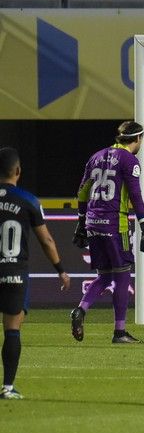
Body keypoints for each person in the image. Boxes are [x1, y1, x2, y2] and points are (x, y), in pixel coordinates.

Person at [70, 121, 144, 344]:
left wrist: (81, 221)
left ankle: (80, 310)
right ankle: (119, 332)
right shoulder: (130, 160)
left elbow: (82, 192)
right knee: (122, 273)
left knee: (104, 275)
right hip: (115, 223)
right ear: (138, 139)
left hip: (93, 221)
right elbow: (135, 195)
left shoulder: (96, 156)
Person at [0, 147, 71, 399]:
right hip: (13, 272)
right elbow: (47, 241)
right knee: (12, 328)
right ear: (18, 171)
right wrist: (61, 270)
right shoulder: (28, 200)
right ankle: (7, 387)